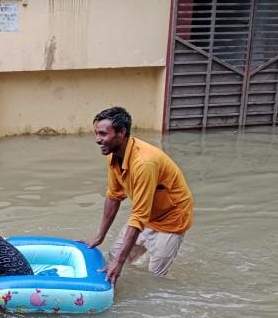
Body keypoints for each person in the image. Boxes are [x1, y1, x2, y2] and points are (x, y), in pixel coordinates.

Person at [81, 107, 194, 285]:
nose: (98, 140)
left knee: (155, 277)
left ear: (121, 132)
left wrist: (118, 263)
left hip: (172, 219)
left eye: (103, 134)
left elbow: (139, 215)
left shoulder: (144, 163)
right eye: (96, 133)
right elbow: (114, 196)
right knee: (114, 255)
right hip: (148, 215)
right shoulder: (112, 154)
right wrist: (99, 237)